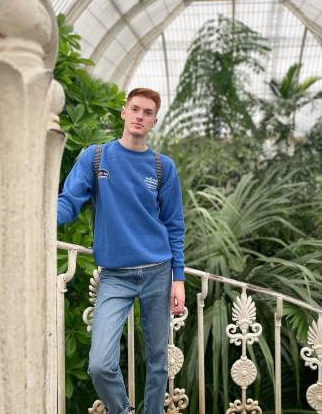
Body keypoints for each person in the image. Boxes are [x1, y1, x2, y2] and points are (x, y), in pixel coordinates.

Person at [57, 88, 185, 414]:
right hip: (115, 276)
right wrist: (40, 216)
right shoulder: (96, 157)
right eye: (135, 109)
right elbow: (69, 203)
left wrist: (179, 278)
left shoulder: (163, 167)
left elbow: (174, 226)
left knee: (158, 361)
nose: (140, 116)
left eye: (148, 113)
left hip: (158, 271)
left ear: (154, 121)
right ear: (124, 113)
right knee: (100, 363)